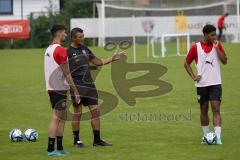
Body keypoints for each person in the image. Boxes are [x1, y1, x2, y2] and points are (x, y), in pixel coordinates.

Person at [67, 28, 125, 147]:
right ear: (73, 38)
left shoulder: (85, 49)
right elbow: (65, 71)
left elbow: (97, 62)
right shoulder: (68, 52)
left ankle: (97, 140)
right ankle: (76, 140)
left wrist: (112, 59)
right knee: (77, 113)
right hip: (77, 86)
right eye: (80, 37)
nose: (82, 38)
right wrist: (73, 88)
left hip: (89, 85)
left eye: (83, 36)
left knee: (96, 111)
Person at [184, 24, 227, 145]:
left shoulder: (217, 45)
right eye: (212, 35)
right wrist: (193, 76)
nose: (214, 37)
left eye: (215, 34)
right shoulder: (195, 47)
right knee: (203, 109)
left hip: (216, 83)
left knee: (216, 108)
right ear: (205, 35)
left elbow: (224, 61)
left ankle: (217, 138)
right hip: (202, 85)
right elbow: (186, 63)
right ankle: (206, 136)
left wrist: (217, 48)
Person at [44, 25, 80, 156]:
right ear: (59, 33)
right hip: (58, 88)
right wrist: (75, 90)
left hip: (52, 88)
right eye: (65, 33)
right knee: (56, 117)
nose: (66, 35)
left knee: (63, 117)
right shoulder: (60, 50)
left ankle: (59, 147)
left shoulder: (49, 48)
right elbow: (66, 72)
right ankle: (50, 149)